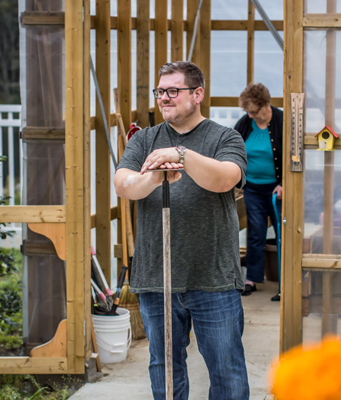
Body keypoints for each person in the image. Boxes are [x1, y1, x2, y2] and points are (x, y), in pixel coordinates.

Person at [114, 61, 249, 400]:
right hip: (157, 278)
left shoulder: (225, 137)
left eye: (173, 91)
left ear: (197, 94)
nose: (164, 98)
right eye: (160, 91)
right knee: (165, 369)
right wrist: (154, 176)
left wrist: (181, 155)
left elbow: (226, 178)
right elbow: (124, 185)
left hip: (213, 278)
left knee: (226, 370)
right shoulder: (144, 139)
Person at [232, 83, 284, 297]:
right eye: (248, 112)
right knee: (256, 232)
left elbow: (294, 155)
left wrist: (285, 184)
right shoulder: (245, 124)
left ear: (266, 106)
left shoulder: (282, 121)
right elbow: (232, 150)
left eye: (254, 111)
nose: (251, 116)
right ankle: (252, 278)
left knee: (283, 233)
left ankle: (285, 280)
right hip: (253, 188)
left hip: (278, 189)